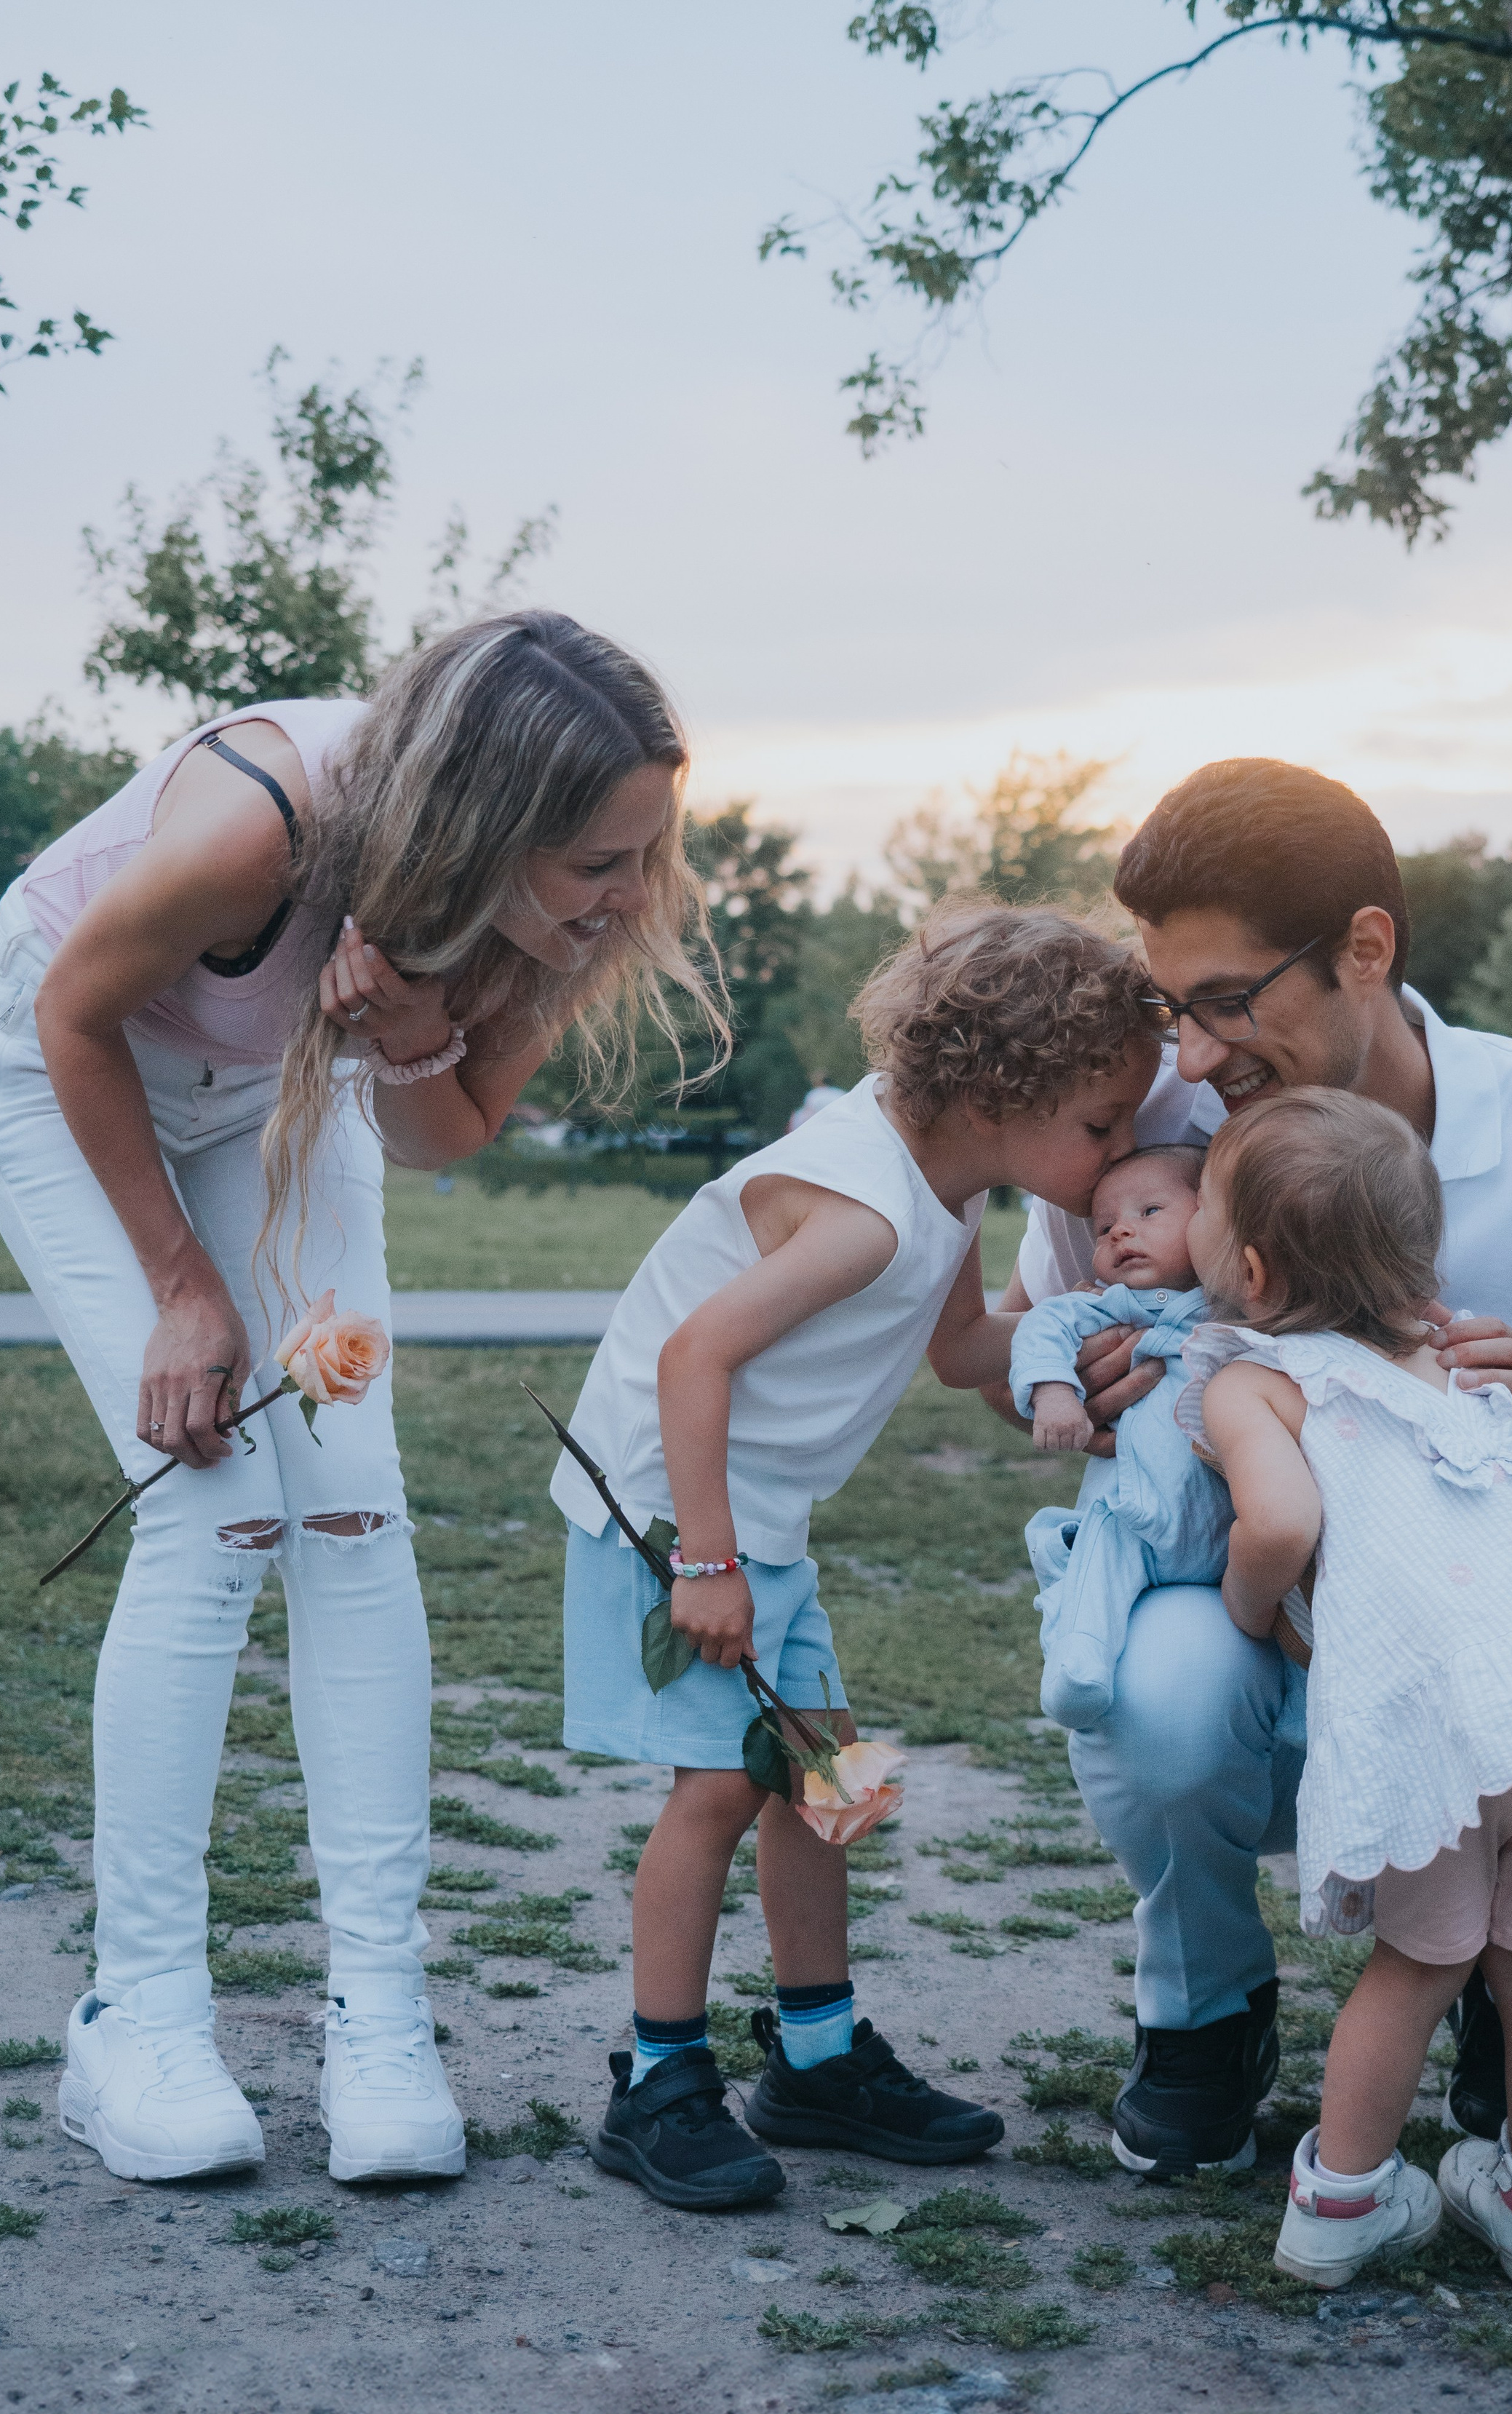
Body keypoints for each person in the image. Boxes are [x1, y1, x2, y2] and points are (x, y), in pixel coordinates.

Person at [0, 612, 722, 2186]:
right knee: (220, 1503)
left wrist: (415, 1031)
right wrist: (182, 1282)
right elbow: (72, 1016)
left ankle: (383, 2013)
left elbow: (448, 1130)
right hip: (65, 1064)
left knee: (355, 1509)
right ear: (490, 821)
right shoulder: (265, 825)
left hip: (279, 1092)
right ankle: (136, 2015)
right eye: (594, 859)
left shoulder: (547, 915)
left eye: (644, 849)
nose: (630, 893)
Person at [986, 758, 1512, 2179]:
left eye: (1229, 999)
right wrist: (1101, 1401)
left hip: (1492, 1634)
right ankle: (1201, 2006)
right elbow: (1057, 1356)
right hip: (1259, 1613)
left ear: (1364, 947)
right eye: (1172, 1007)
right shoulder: (1154, 1144)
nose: (1197, 1054)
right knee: (1160, 1694)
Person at [549, 904, 1161, 2209]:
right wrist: (705, 1560)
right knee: (716, 1788)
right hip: (670, 1513)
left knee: (821, 1773)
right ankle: (656, 2078)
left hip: (760, 1518)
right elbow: (691, 1355)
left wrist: (1110, 1336)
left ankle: (817, 2056)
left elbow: (959, 1354)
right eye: (1103, 1123)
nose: (1120, 1149)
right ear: (1007, 1088)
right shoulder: (866, 1207)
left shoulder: (949, 1181)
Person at [1182, 1087, 1512, 2286]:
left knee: (1418, 1962)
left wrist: (1252, 1605)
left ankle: (1342, 2202)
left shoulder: (1251, 1376)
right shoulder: (1461, 1352)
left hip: (1446, 1716)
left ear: (1250, 1268)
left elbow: (1282, 1517)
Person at [1008, 1145, 1244, 1732]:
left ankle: (1297, 1701)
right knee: (1099, 1557)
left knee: (1292, 1569)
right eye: (1105, 1225)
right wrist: (1055, 1393)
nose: (1121, 1233)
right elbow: (1044, 1325)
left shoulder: (1241, 1301)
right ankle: (1079, 1662)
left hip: (1234, 1521)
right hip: (1135, 1512)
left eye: (1149, 1211)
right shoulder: (1118, 1304)